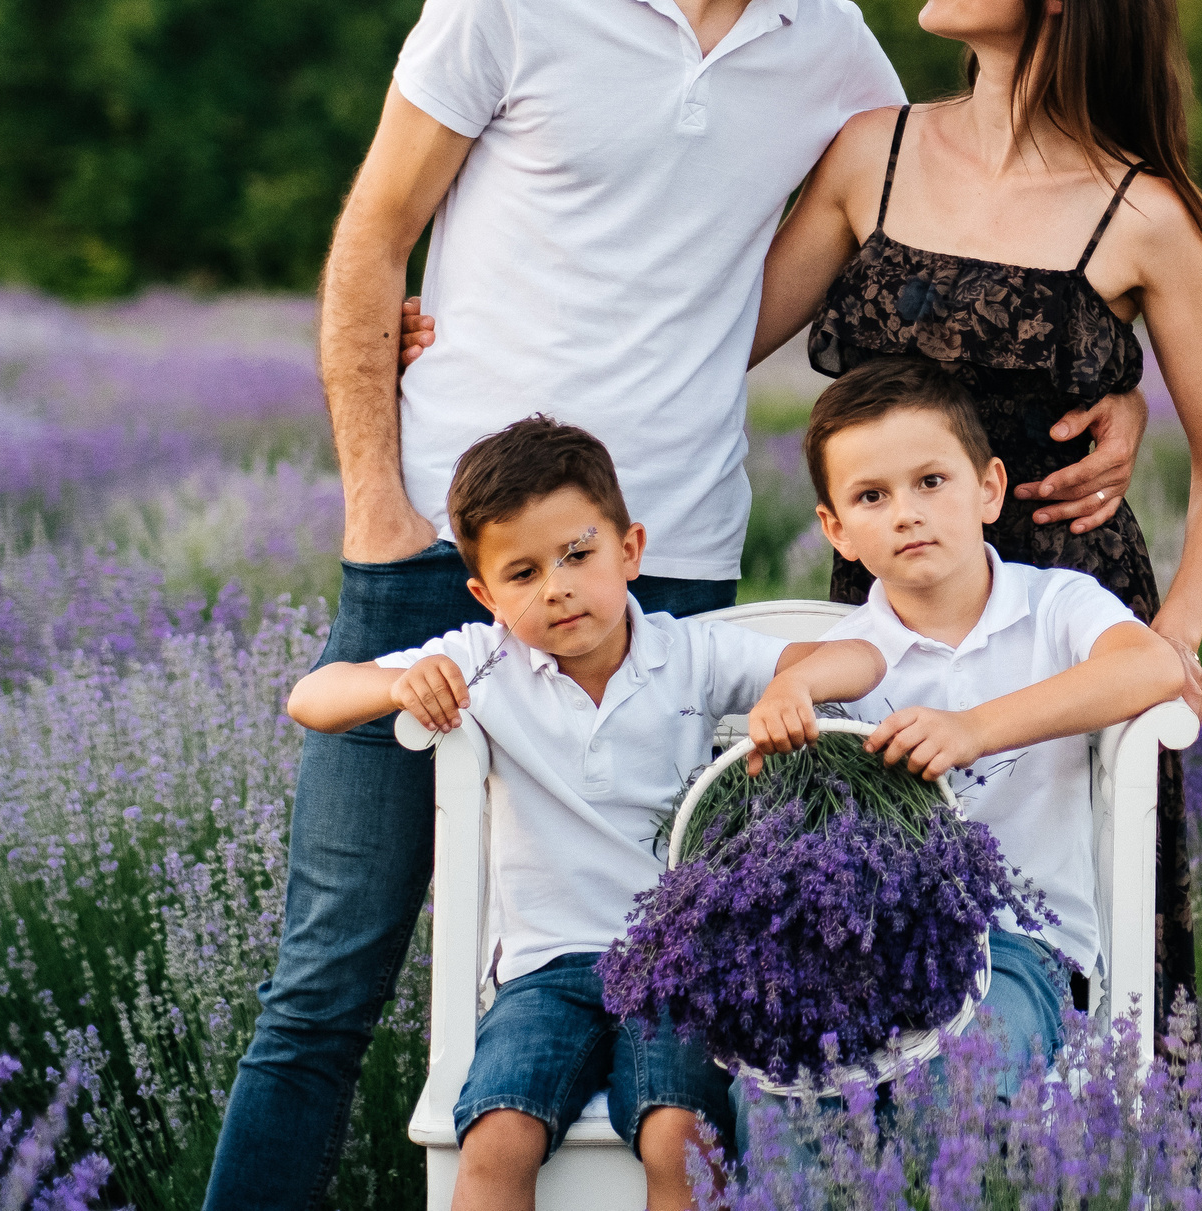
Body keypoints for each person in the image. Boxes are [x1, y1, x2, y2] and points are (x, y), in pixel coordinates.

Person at [214, 0, 1147, 1210]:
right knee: (331, 975)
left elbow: (974, 226)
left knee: (677, 988)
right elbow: (371, 232)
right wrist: (378, 505)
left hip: (677, 578)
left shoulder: (833, 54)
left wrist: (1123, 385)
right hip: (449, 557)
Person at [756, 0, 1202, 1011]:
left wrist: (1172, 647)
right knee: (878, 915)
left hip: (1072, 620)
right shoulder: (868, 154)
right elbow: (716, 337)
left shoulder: (1143, 215)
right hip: (895, 601)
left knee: (1080, 932)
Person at [288, 418, 885, 1210]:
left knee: (682, 1136)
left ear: (630, 549)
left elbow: (863, 655)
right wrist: (400, 683)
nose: (557, 587)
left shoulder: (688, 654)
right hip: (545, 973)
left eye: (578, 554)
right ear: (485, 594)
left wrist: (791, 686)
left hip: (675, 963)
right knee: (499, 1134)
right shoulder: (483, 660)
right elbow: (310, 697)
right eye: (524, 572)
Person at [806, 358, 1190, 1077]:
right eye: (870, 495)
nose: (906, 512)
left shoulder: (1054, 605)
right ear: (838, 529)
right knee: (785, 1094)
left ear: (989, 487)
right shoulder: (846, 657)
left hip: (1029, 948)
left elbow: (1154, 666)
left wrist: (974, 728)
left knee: (972, 1074)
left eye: (930, 481)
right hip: (886, 951)